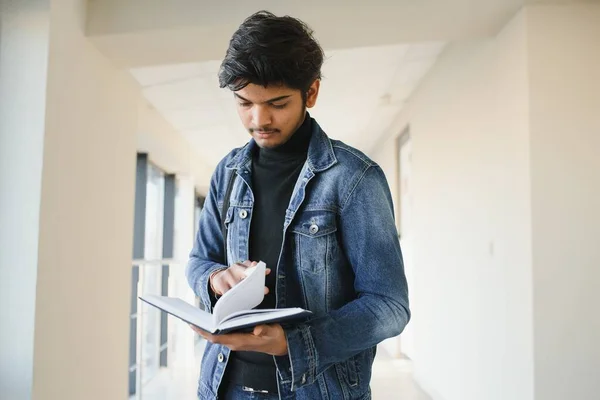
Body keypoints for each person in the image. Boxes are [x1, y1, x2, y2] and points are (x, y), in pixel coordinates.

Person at [185, 10, 410, 400]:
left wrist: (293, 343)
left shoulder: (354, 178)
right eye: (244, 104)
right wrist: (214, 278)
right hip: (225, 386)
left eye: (277, 103)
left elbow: (389, 305)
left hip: (318, 390)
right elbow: (198, 260)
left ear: (311, 93)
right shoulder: (228, 172)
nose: (259, 119)